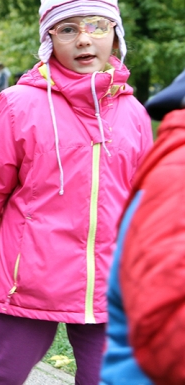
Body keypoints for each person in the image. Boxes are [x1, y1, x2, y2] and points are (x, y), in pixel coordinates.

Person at [0, 0, 153, 385]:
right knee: (1, 370)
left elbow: (146, 198)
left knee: (106, 377)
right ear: (49, 39)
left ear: (115, 36)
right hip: (34, 273)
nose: (83, 39)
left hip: (108, 277)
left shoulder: (134, 114)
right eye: (68, 28)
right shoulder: (20, 104)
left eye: (97, 25)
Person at [99, 70, 185, 384]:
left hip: (101, 276)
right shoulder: (178, 178)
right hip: (38, 275)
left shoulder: (132, 109)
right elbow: (166, 334)